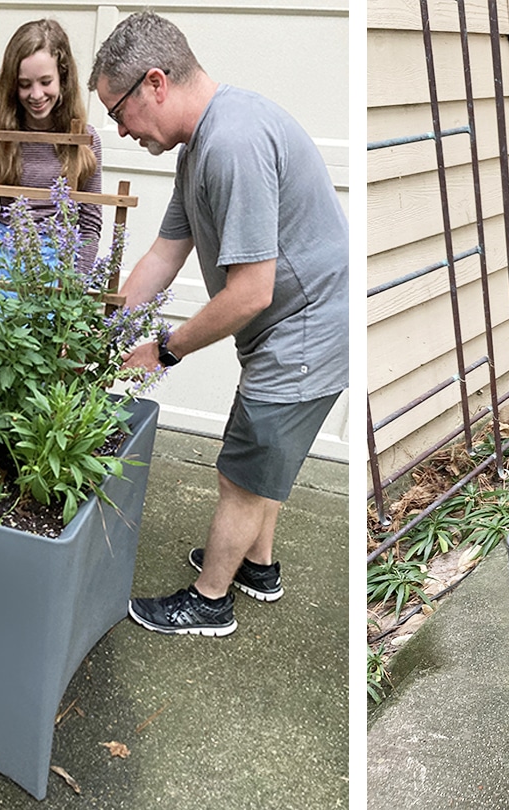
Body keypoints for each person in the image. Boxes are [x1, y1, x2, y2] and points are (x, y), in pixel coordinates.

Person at [89, 12, 348, 637]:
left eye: (118, 112)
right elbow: (164, 254)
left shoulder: (233, 142)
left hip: (307, 333)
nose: (120, 131)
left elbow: (250, 293)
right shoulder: (202, 142)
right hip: (296, 327)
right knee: (267, 461)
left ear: (155, 83)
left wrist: (166, 349)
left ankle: (210, 602)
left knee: (243, 468)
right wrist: (103, 329)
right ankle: (256, 567)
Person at [0, 19, 103, 276]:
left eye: (46, 82)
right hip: (4, 266)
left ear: (63, 77)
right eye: (25, 84)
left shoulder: (85, 140)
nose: (36, 95)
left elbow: (90, 224)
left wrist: (76, 286)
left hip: (59, 271)